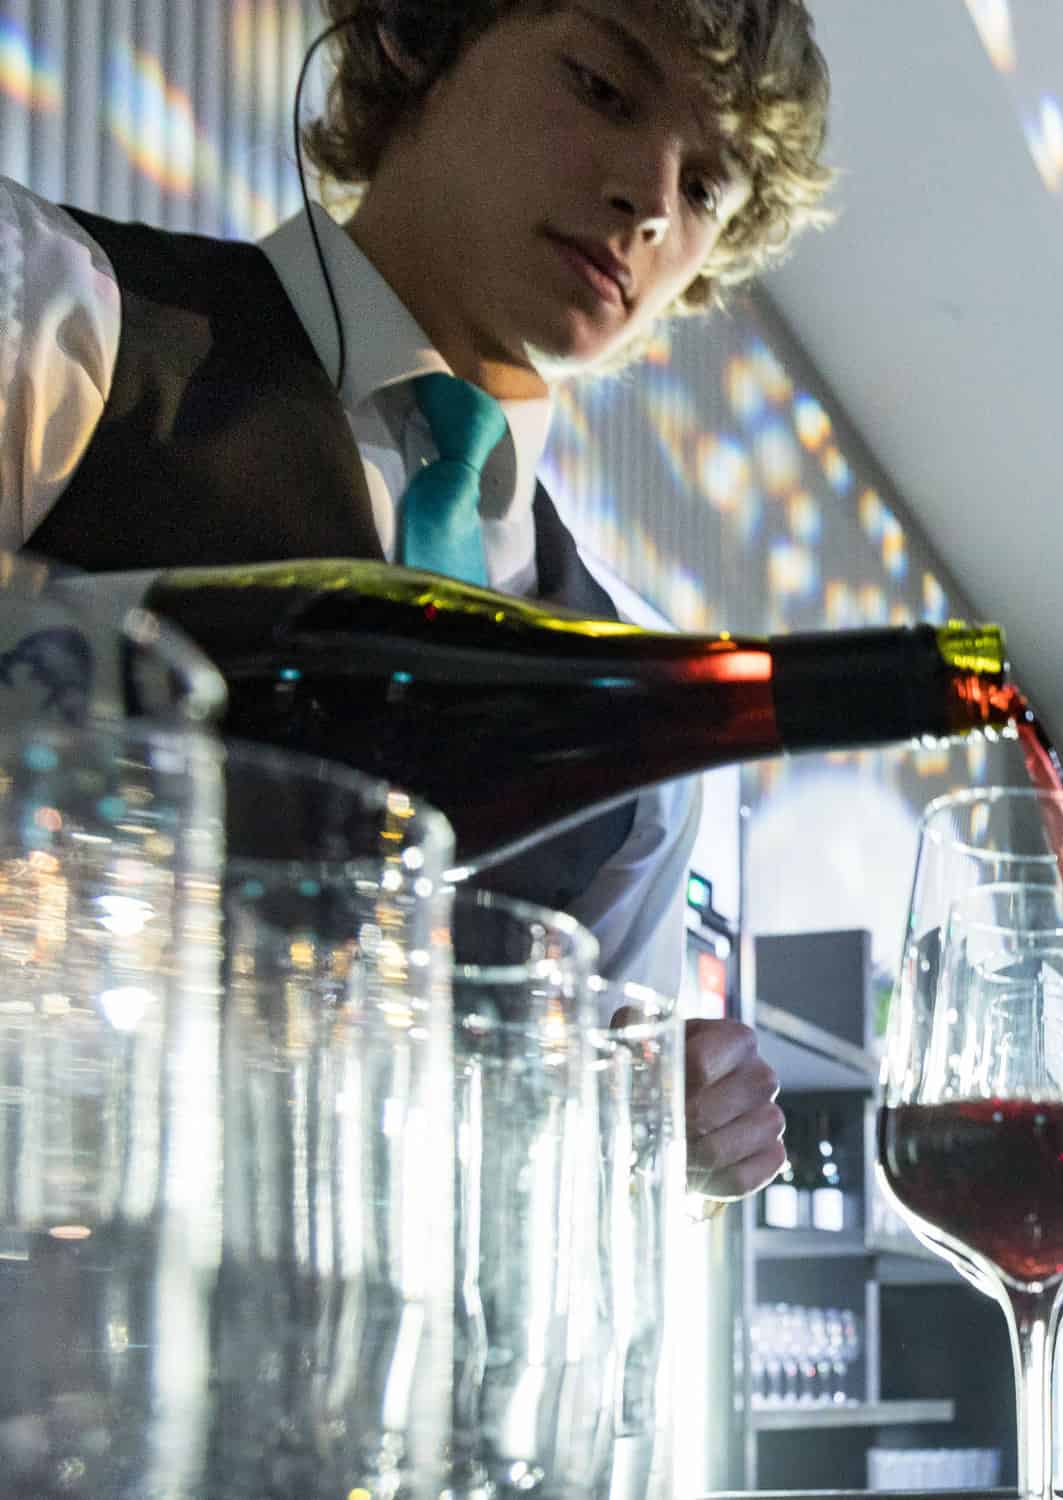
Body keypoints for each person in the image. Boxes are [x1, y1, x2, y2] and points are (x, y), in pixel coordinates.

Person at [0, 0, 835, 1200]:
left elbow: (584, 1171)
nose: (652, 198)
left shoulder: (646, 688)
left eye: (707, 185)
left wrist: (670, 1147)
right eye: (603, 88)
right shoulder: (55, 318)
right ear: (416, 37)